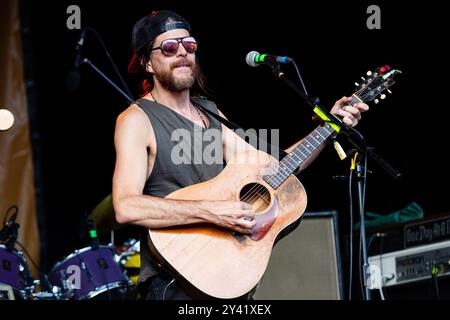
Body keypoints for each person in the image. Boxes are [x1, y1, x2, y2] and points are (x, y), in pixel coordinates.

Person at [112, 10, 369, 300]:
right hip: (173, 283)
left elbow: (276, 170)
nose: (182, 52)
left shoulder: (208, 112)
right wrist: (212, 212)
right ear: (147, 63)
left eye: (189, 44)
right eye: (170, 47)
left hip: (225, 278)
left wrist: (329, 127)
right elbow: (126, 207)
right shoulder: (136, 119)